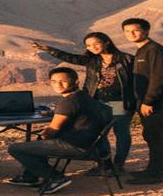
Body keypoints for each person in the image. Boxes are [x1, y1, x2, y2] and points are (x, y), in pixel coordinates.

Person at [32, 32, 135, 173]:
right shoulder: (92, 60)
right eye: (88, 45)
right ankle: (105, 165)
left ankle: (118, 165)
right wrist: (49, 50)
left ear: (106, 42)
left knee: (121, 133)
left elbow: (137, 81)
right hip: (96, 101)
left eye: (96, 43)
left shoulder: (127, 59)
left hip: (119, 102)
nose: (92, 47)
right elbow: (70, 57)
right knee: (99, 134)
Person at [6, 67, 107, 194]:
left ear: (76, 82)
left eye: (63, 81)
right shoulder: (82, 96)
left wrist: (44, 133)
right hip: (93, 144)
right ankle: (30, 176)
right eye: (54, 81)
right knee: (38, 142)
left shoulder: (68, 101)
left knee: (15, 148)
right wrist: (54, 115)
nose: (58, 85)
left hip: (77, 146)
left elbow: (52, 131)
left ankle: (55, 178)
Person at [121, 17, 163, 184]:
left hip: (157, 100)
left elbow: (159, 78)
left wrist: (148, 101)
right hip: (153, 99)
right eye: (127, 31)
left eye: (136, 30)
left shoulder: (154, 51)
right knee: (160, 133)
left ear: (146, 31)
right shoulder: (143, 50)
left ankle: (154, 174)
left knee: (154, 135)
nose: (131, 34)